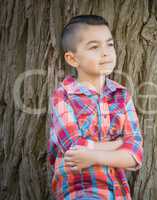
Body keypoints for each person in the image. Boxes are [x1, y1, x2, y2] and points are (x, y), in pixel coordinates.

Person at [47, 14, 143, 200]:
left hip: (118, 193)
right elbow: (74, 150)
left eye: (109, 44)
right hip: (79, 190)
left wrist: (93, 156)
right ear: (73, 59)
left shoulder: (121, 95)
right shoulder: (64, 95)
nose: (106, 52)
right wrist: (118, 144)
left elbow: (135, 154)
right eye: (94, 47)